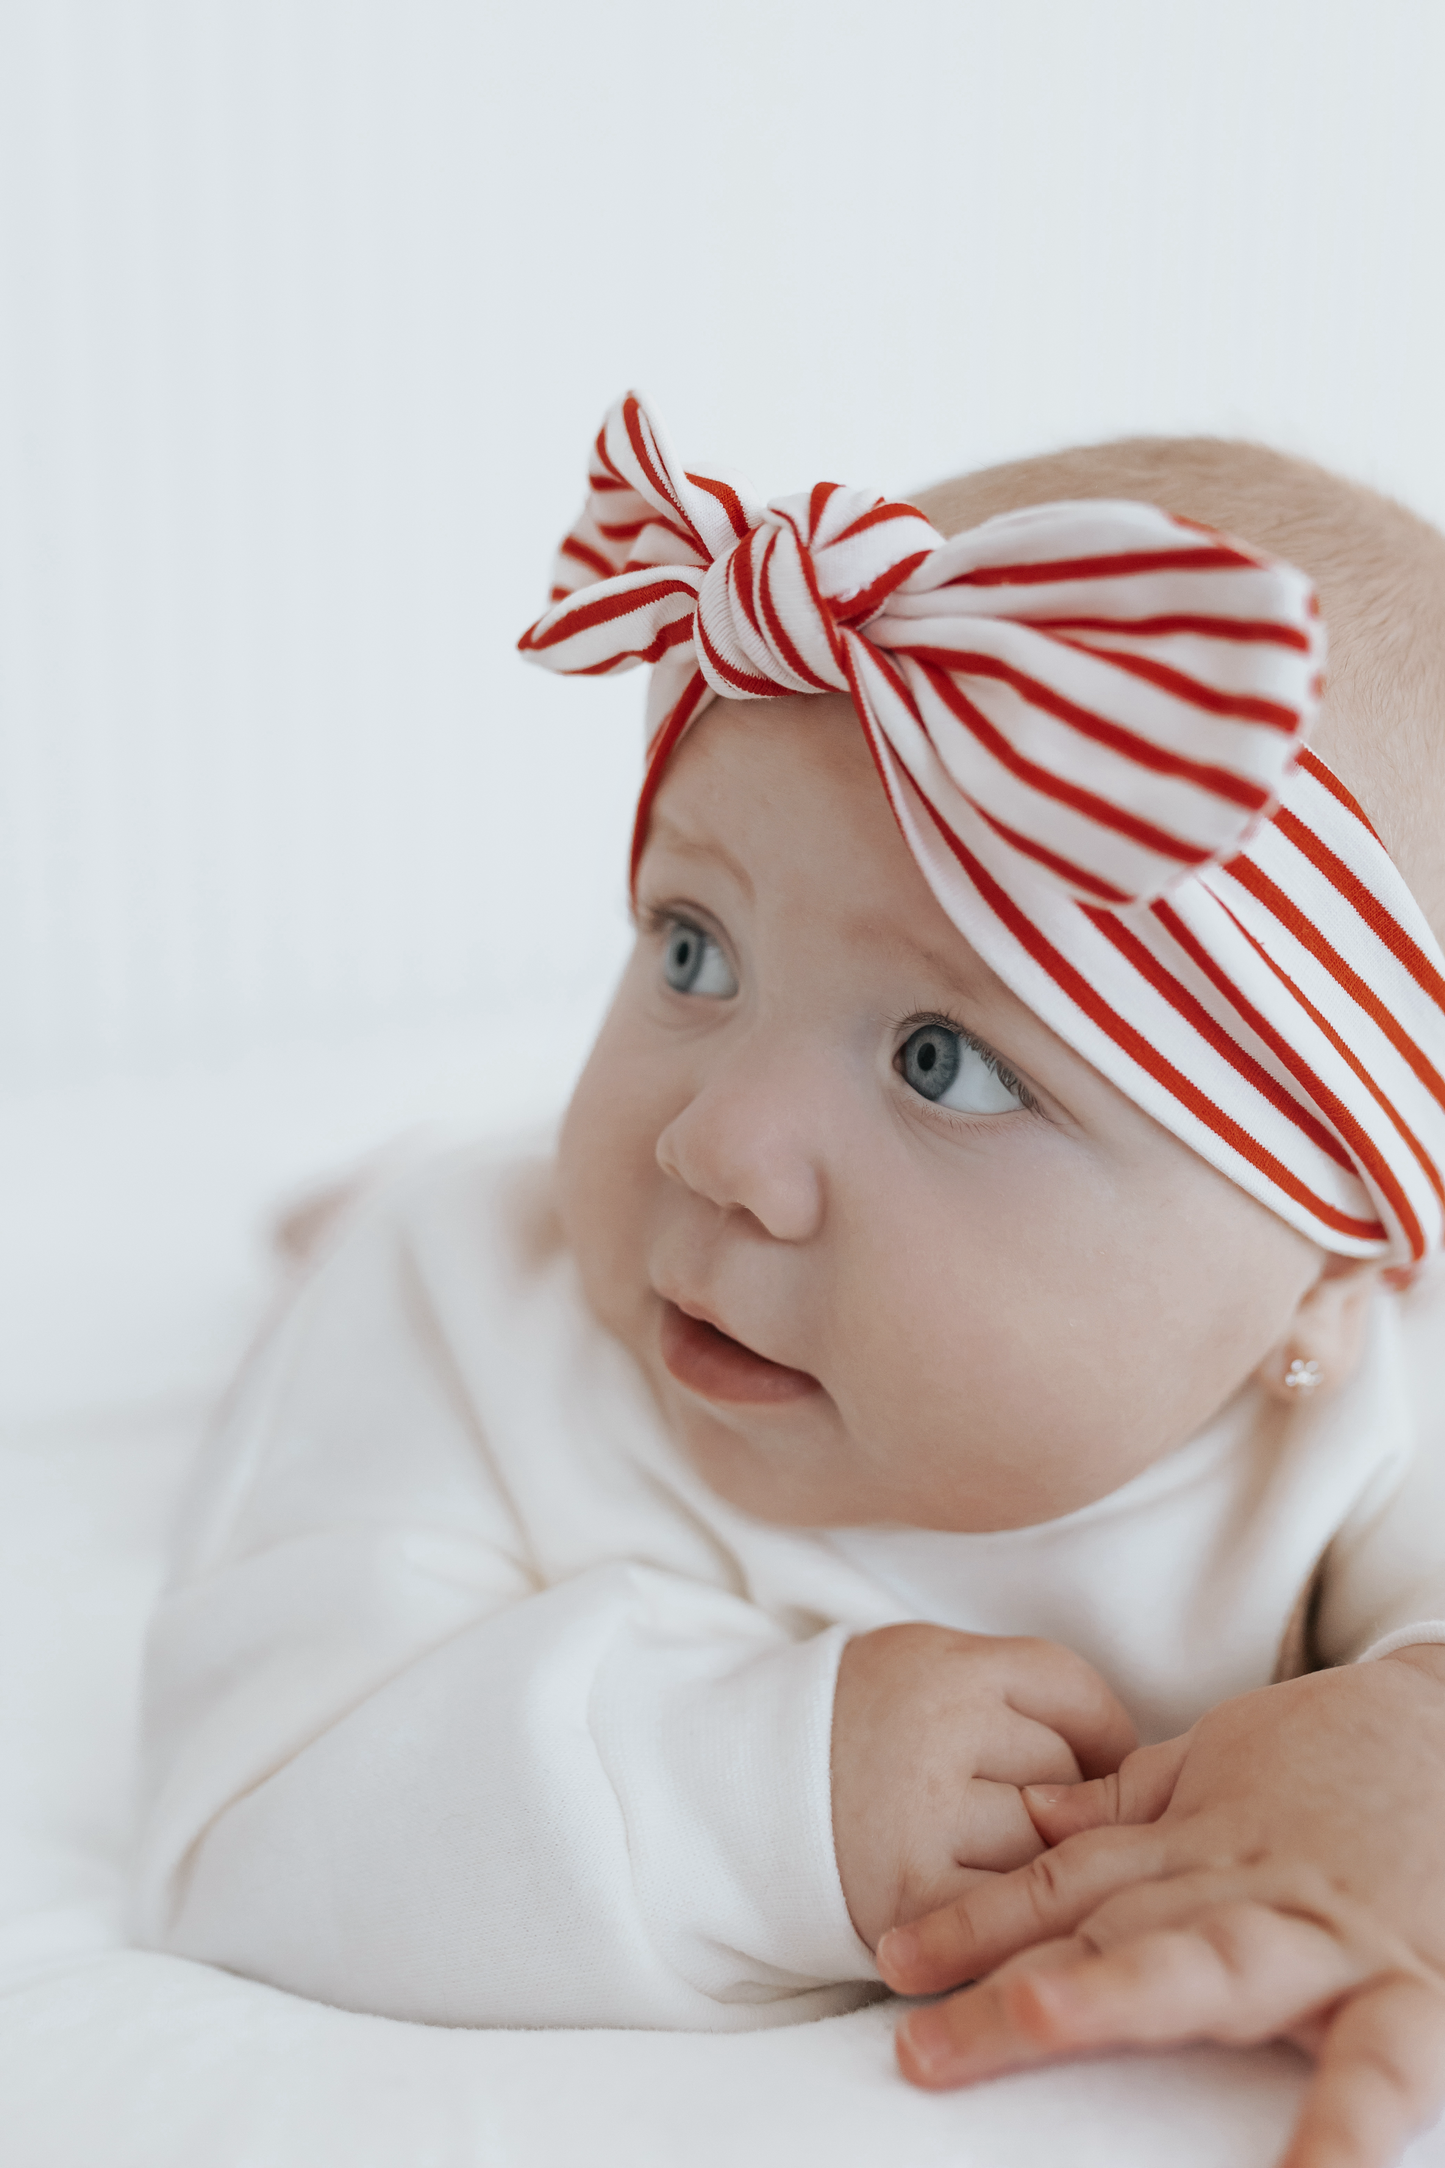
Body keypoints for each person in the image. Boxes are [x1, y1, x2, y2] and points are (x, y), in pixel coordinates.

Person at [133, 396, 1445, 2168]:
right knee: (441, 1199)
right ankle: (337, 1199)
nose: (716, 1143)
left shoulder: (1365, 1402)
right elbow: (253, 1812)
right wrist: (775, 1797)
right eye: (694, 947)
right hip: (418, 1261)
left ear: (1323, 1281)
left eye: (943, 1065)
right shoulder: (461, 1315)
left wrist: (1405, 1752)